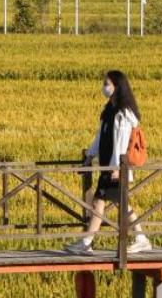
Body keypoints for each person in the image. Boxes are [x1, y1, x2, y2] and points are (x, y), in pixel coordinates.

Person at [65, 70, 152, 255]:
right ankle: (138, 238)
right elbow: (101, 136)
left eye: (107, 84)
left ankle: (89, 242)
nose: (104, 87)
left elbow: (122, 143)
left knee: (103, 202)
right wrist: (90, 155)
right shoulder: (108, 110)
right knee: (109, 203)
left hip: (115, 168)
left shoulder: (124, 114)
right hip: (108, 166)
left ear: (117, 86)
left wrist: (118, 168)